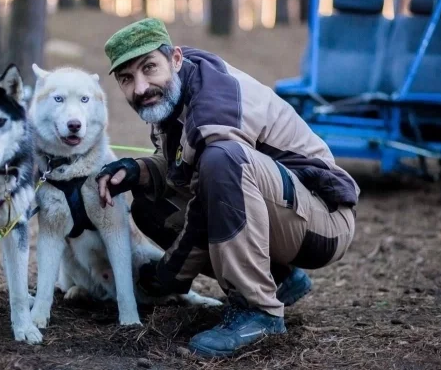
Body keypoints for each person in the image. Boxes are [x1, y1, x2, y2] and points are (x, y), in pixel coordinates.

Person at [94, 18, 359, 358]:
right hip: (283, 208)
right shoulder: (178, 88)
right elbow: (179, 163)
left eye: (149, 68)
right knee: (148, 202)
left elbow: (210, 192)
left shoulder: (213, 105)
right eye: (127, 79)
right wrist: (136, 170)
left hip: (323, 221)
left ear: (175, 59)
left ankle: (258, 311)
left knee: (222, 161)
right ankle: (278, 278)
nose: (141, 87)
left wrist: (168, 277)